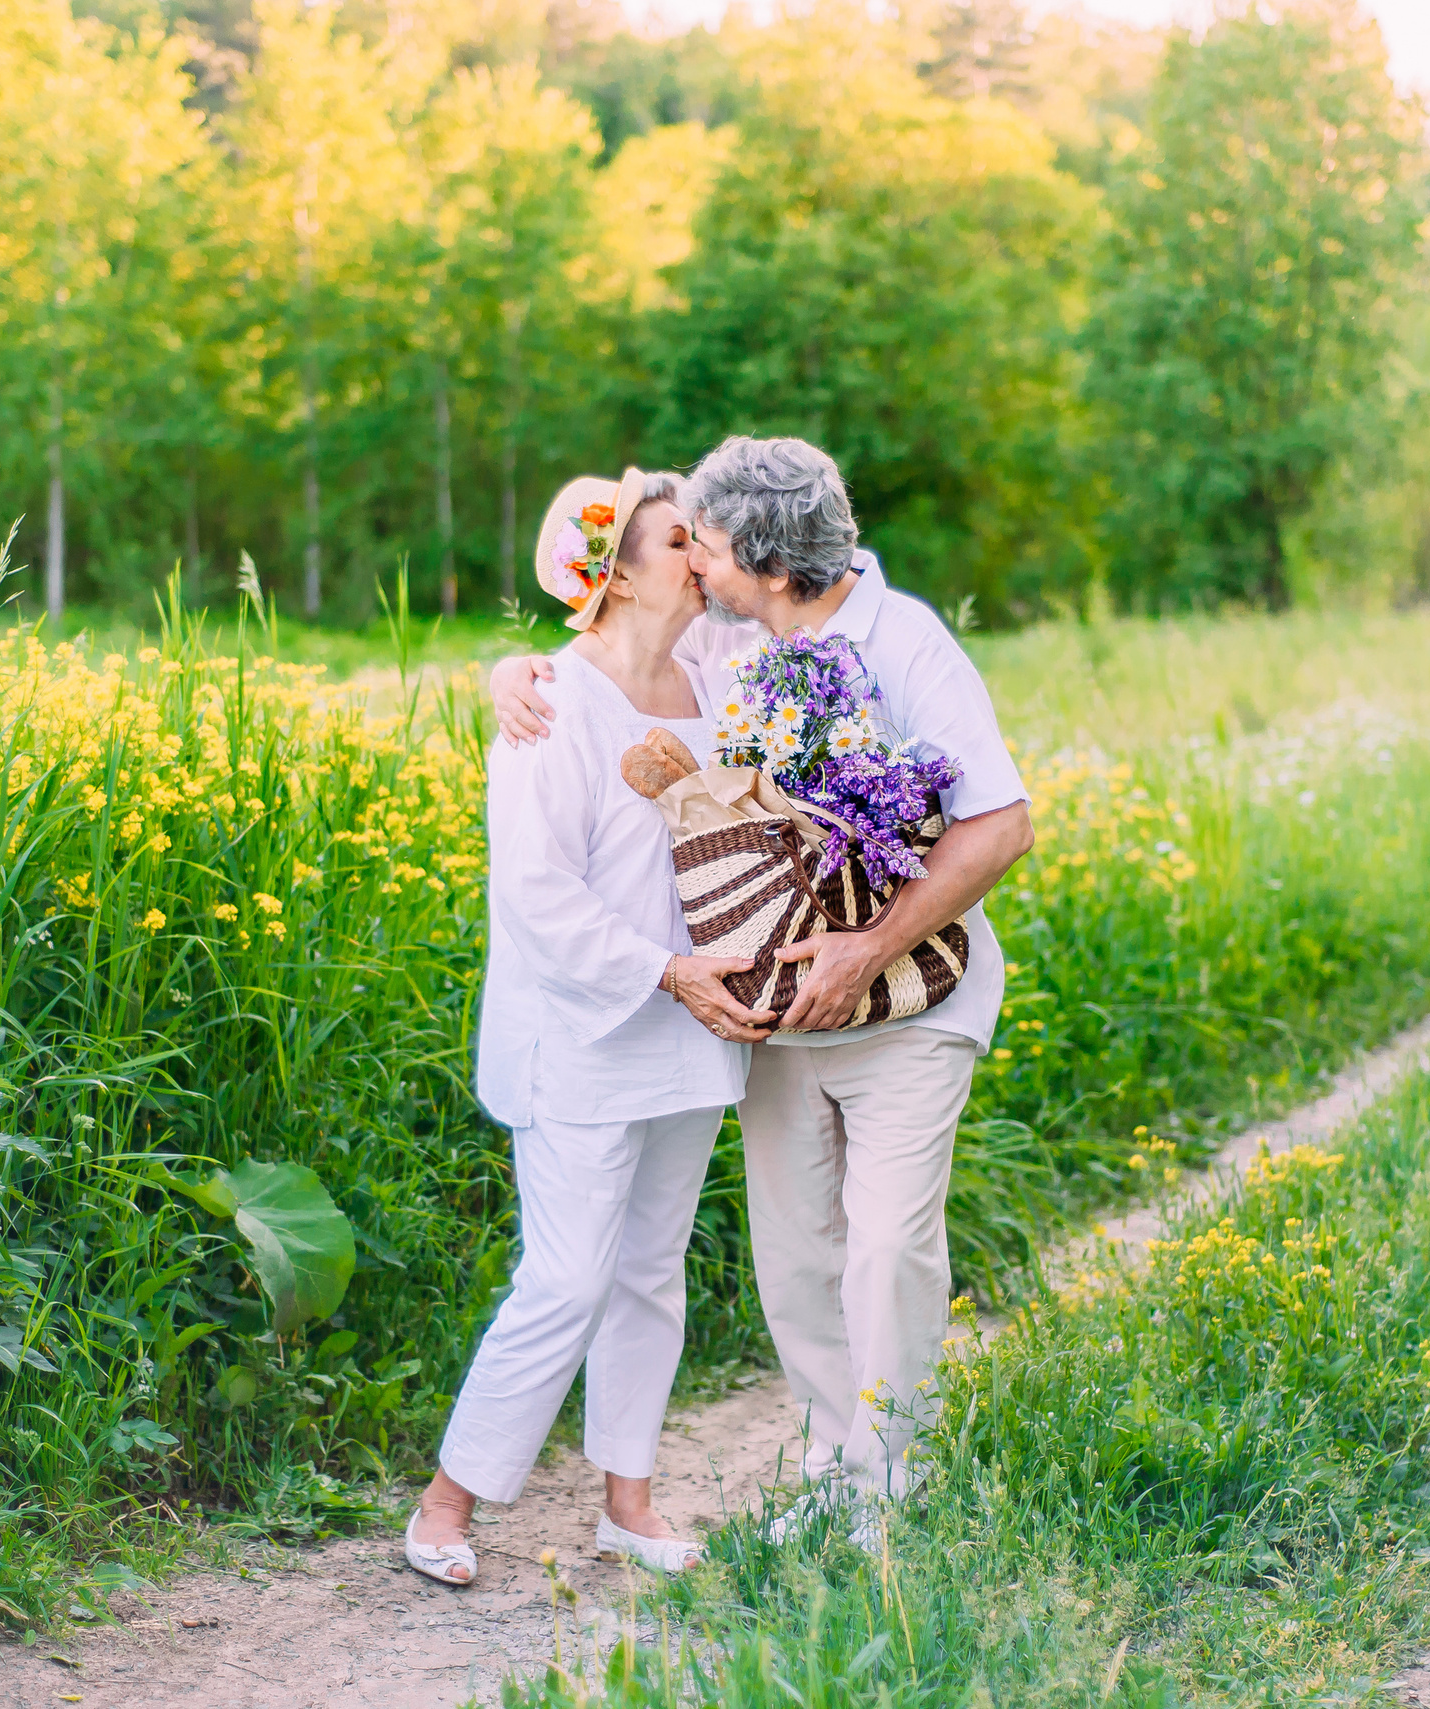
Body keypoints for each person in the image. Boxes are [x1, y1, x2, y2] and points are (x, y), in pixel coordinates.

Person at [488, 437, 1034, 1529]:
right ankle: (840, 1472)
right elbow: (608, 658)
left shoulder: (907, 641)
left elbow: (1003, 821)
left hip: (909, 1005)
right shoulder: (732, 641)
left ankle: (890, 1486)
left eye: (708, 542)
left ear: (766, 564)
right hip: (781, 1021)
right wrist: (510, 671)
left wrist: (866, 945)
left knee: (884, 1248)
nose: (694, 557)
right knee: (794, 1262)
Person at [405, 468, 779, 1588]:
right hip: (586, 1026)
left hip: (694, 1024)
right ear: (612, 574)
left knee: (650, 1270)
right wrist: (667, 970)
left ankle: (629, 1502)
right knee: (566, 1275)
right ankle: (447, 1496)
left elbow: (840, 595)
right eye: (681, 541)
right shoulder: (551, 703)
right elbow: (538, 893)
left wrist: (700, 981)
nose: (704, 558)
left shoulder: (718, 674)